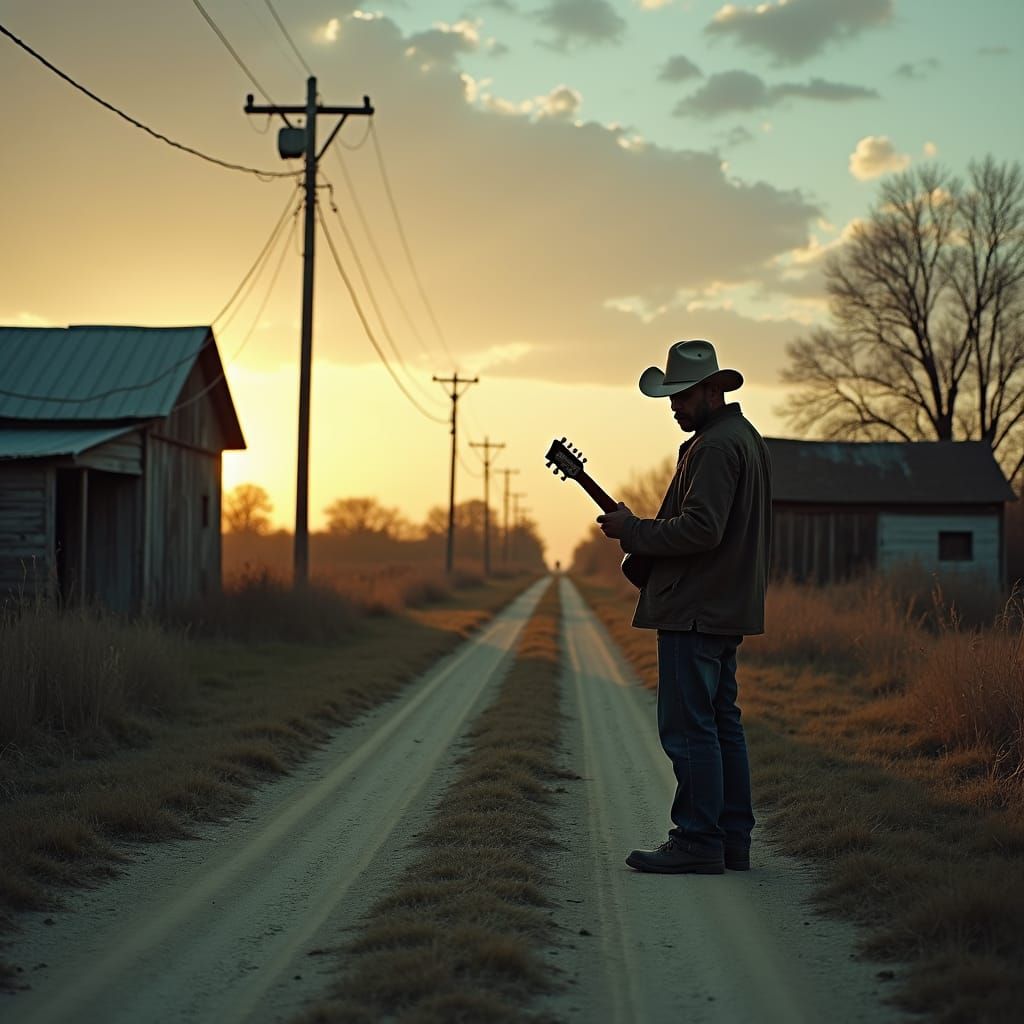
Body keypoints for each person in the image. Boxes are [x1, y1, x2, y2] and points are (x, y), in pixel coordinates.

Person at [596, 339, 772, 875]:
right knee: (720, 723)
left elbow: (703, 529)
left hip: (696, 609)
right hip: (721, 605)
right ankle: (730, 840)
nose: (673, 405)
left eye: (682, 394)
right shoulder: (743, 439)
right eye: (669, 396)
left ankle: (698, 840)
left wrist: (634, 531)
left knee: (690, 726)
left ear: (713, 390)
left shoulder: (715, 448)